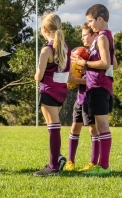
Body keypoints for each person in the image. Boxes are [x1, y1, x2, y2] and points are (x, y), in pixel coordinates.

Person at [73, 4, 115, 175]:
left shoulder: (101, 38)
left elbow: (105, 64)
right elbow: (114, 64)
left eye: (90, 21)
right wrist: (88, 69)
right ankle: (100, 165)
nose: (89, 25)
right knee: (99, 125)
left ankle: (103, 167)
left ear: (100, 19)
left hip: (98, 86)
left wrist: (85, 63)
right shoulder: (107, 36)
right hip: (99, 85)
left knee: (102, 125)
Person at [33, 13, 71, 177]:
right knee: (54, 126)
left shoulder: (46, 50)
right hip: (61, 91)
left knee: (53, 128)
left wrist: (35, 75)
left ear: (44, 29)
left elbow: (39, 76)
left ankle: (53, 166)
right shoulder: (65, 46)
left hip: (48, 91)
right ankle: (57, 158)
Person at [64, 23, 99, 172]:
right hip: (80, 97)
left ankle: (93, 163)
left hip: (91, 97)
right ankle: (70, 161)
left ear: (93, 36)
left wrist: (76, 80)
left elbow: (95, 79)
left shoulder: (96, 56)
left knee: (93, 129)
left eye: (85, 35)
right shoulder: (80, 53)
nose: (82, 37)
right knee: (75, 127)